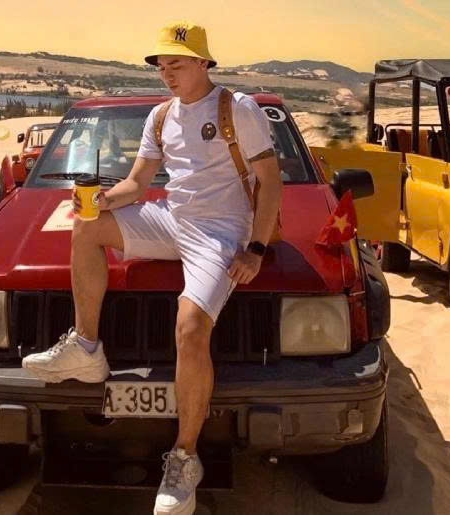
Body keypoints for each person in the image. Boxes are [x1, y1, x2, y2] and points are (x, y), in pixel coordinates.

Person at [22, 21, 282, 515]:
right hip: (171, 219)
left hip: (221, 231)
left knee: (190, 326)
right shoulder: (160, 116)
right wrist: (103, 200)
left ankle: (185, 459)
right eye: (162, 66)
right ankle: (86, 347)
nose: (167, 74)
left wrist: (255, 248)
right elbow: (138, 184)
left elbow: (271, 180)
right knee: (87, 228)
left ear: (203, 62)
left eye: (176, 64)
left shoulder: (237, 109)